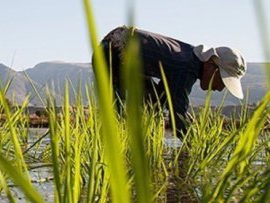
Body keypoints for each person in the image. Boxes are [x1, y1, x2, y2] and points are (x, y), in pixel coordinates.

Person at [93, 26, 246, 137]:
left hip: (122, 55)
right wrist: (195, 144)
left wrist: (183, 115)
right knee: (115, 118)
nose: (220, 89)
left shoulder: (188, 60)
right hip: (112, 53)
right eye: (223, 81)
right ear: (211, 65)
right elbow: (177, 120)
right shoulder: (186, 68)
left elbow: (165, 101)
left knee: (153, 108)